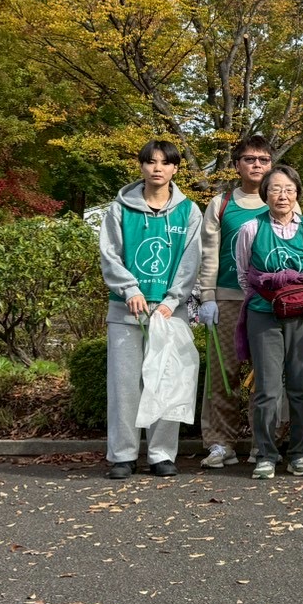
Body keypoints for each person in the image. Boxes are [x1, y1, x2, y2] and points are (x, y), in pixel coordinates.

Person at [98, 140, 204, 479]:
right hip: (126, 313)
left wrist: (172, 301)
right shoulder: (119, 210)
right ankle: (123, 456)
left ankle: (161, 454)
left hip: (169, 313)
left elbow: (191, 262)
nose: (157, 168)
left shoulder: (189, 212)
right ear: (141, 166)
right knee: (125, 385)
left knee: (166, 382)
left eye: (165, 162)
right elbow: (110, 255)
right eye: (150, 162)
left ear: (175, 168)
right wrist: (129, 289)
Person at [193, 134, 273, 469]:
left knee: (265, 375)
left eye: (263, 160)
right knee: (222, 374)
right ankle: (220, 443)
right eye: (249, 159)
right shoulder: (221, 204)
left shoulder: (281, 200)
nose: (256, 165)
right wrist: (206, 296)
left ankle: (262, 443)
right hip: (225, 299)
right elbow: (208, 253)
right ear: (237, 163)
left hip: (267, 304)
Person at [236, 164, 303, 479]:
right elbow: (246, 275)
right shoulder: (251, 229)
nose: (282, 195)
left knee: (300, 386)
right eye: (274, 189)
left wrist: (294, 296)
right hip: (263, 313)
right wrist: (273, 298)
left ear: (297, 192)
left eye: (288, 189)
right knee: (267, 388)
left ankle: (299, 453)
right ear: (264, 194)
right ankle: (266, 455)